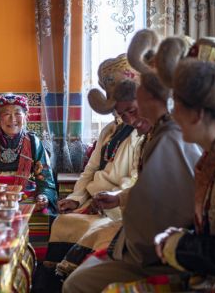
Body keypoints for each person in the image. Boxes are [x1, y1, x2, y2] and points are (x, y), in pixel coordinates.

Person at [62, 29, 202, 293]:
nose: (129, 119)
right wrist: (90, 199)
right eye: (121, 113)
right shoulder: (152, 133)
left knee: (78, 283)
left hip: (163, 255)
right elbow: (150, 190)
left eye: (133, 108)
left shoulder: (170, 135)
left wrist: (120, 206)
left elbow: (169, 206)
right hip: (146, 243)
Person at [32, 55, 150, 293]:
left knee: (91, 233)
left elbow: (137, 179)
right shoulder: (110, 130)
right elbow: (90, 170)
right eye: (120, 110)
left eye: (129, 109)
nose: (125, 116)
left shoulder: (144, 132)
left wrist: (113, 198)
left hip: (116, 209)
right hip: (94, 201)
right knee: (62, 222)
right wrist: (76, 198)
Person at [152, 37, 215, 289]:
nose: (173, 113)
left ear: (198, 113)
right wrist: (183, 239)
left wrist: (177, 246)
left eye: (177, 103)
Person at [0, 93, 58, 214]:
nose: (13, 119)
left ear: (25, 116)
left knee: (45, 212)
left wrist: (43, 196)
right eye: (6, 114)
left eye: (18, 113)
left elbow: (45, 179)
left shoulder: (33, 142)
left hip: (27, 195)